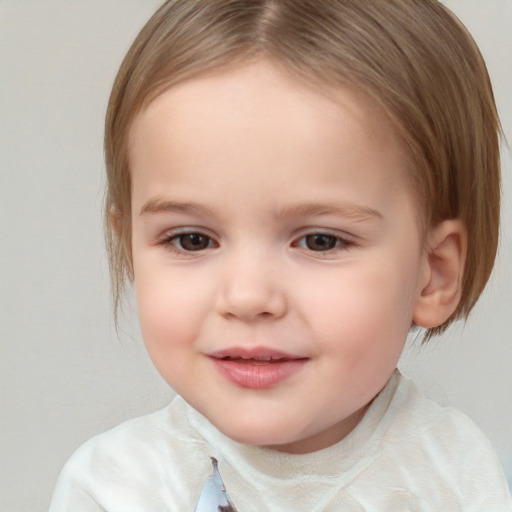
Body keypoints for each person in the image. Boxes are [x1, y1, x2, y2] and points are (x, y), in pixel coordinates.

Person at [49, 1, 512, 510]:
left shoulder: (454, 479)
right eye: (192, 239)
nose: (247, 297)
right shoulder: (114, 490)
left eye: (320, 240)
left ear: (433, 274)